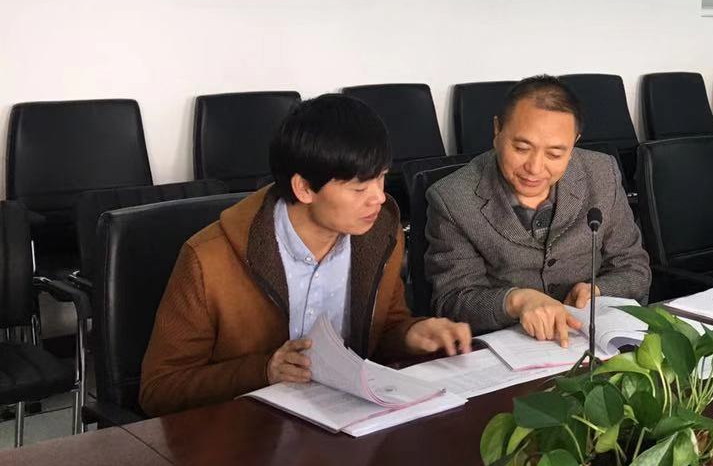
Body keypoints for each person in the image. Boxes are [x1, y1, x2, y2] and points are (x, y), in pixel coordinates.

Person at [139, 95, 471, 417]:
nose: (379, 198)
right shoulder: (208, 259)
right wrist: (264, 371)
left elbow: (383, 330)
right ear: (304, 188)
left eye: (382, 177)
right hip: (248, 433)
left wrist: (411, 335)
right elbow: (159, 390)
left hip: (348, 420)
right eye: (359, 188)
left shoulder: (379, 234)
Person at [426, 76, 650, 345]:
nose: (534, 168)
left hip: (588, 341)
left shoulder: (602, 174)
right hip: (509, 349)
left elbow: (634, 268)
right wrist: (515, 301)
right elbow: (451, 301)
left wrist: (599, 290)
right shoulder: (452, 198)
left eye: (554, 154)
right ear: (497, 130)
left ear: (574, 142)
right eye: (521, 148)